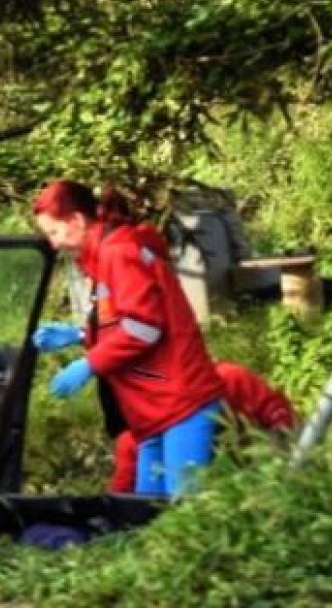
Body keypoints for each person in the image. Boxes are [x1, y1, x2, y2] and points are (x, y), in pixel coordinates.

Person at [30, 180, 226, 496]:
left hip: (179, 402)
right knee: (146, 517)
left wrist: (89, 364)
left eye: (54, 233)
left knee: (183, 513)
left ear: (77, 222)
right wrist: (81, 334)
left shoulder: (118, 253)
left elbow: (143, 328)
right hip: (152, 409)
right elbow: (120, 323)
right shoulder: (104, 257)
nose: (52, 245)